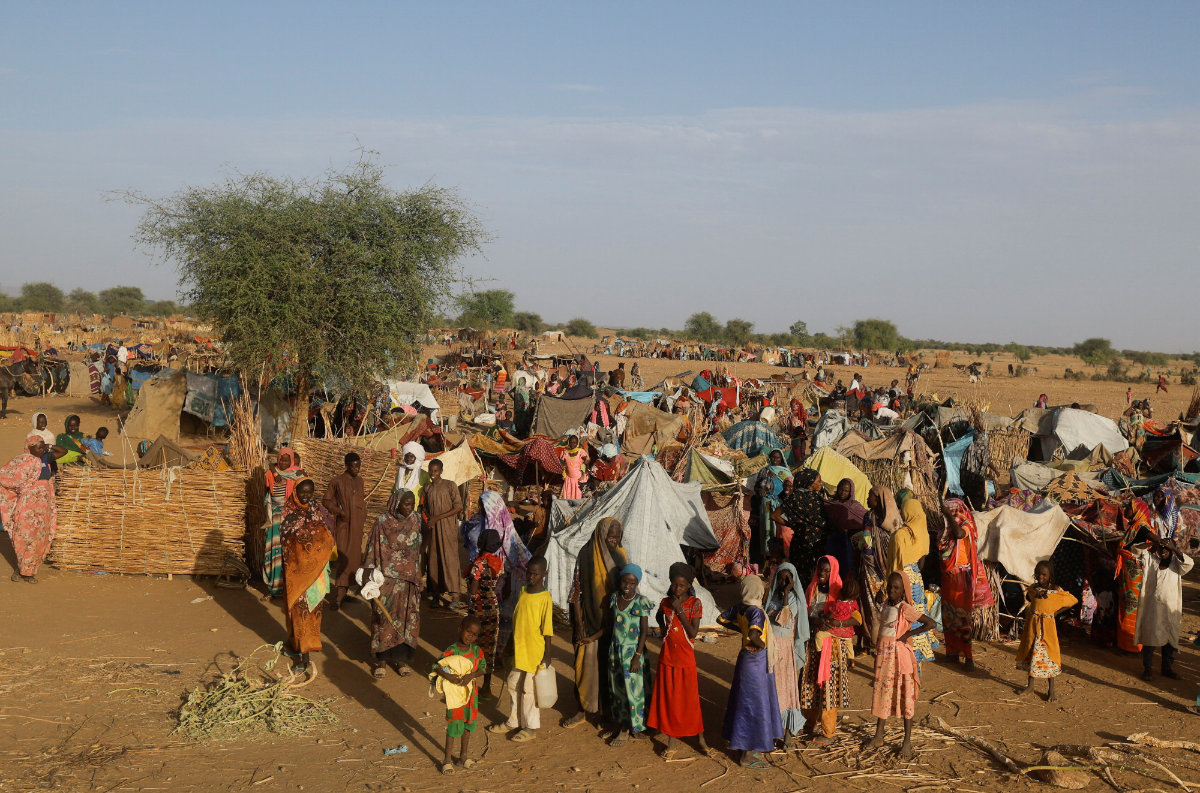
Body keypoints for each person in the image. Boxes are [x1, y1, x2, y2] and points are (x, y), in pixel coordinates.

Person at [864, 571, 936, 759]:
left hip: (899, 657)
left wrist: (907, 636)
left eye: (896, 588)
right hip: (884, 657)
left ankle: (907, 742)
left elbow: (931, 623)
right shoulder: (887, 604)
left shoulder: (905, 608)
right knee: (883, 693)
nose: (892, 591)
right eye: (890, 587)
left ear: (904, 591)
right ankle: (879, 735)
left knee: (906, 697)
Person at [565, 517, 627, 728]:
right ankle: (582, 709)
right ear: (601, 534)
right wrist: (581, 626)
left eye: (617, 536)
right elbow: (576, 592)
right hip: (589, 620)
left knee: (608, 668)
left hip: (613, 622)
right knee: (584, 666)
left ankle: (605, 712)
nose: (614, 540)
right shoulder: (586, 554)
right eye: (611, 536)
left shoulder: (621, 555)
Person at [717, 575, 783, 769]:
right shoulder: (757, 611)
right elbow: (755, 635)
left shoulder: (741, 607)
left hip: (745, 659)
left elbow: (721, 619)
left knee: (744, 701)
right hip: (756, 661)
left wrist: (743, 632)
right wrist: (759, 643)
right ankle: (746, 755)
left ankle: (744, 744)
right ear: (758, 592)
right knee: (753, 705)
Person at [363, 490, 426, 679]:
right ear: (396, 503)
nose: (410, 508)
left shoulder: (416, 520)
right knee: (384, 618)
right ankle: (381, 660)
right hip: (386, 579)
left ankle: (401, 659)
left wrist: (417, 572)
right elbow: (372, 548)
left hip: (409, 580)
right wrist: (369, 576)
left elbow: (418, 548)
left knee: (407, 618)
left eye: (412, 504)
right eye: (406, 504)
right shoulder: (383, 522)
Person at [647, 562, 708, 759]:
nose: (677, 589)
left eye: (682, 586)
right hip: (667, 657)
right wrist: (664, 630)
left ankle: (701, 739)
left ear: (689, 585)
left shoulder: (695, 603)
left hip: (685, 658)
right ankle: (671, 741)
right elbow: (658, 617)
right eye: (675, 585)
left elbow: (693, 632)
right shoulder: (665, 602)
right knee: (670, 699)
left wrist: (679, 610)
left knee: (690, 699)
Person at [489, 557, 553, 742]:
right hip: (519, 649)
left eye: (535, 574)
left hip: (534, 652)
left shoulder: (545, 598)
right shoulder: (524, 591)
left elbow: (547, 630)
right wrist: (509, 645)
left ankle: (531, 726)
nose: (531, 577)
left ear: (544, 574)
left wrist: (547, 656)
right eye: (529, 573)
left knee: (528, 689)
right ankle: (513, 721)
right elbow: (518, 621)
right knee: (512, 682)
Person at [800, 556, 859, 743]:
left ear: (833, 571)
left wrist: (837, 622)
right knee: (809, 684)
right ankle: (809, 723)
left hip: (833, 648)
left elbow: (857, 618)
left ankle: (828, 732)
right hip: (813, 644)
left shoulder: (840, 592)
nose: (823, 574)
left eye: (827, 570)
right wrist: (816, 621)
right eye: (820, 570)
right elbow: (804, 614)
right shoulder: (812, 589)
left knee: (829, 689)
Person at [280, 478, 335, 674]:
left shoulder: (317, 510)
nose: (306, 496)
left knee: (311, 610)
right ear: (295, 491)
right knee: (298, 611)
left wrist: (317, 541)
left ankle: (304, 651)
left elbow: (328, 534)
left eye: (309, 492)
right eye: (303, 492)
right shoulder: (289, 512)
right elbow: (287, 539)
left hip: (316, 572)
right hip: (296, 572)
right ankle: (300, 651)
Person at [939, 499, 994, 671]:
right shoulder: (945, 528)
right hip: (949, 576)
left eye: (951, 510)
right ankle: (953, 653)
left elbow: (960, 535)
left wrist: (948, 515)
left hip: (961, 577)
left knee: (963, 617)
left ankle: (968, 657)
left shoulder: (965, 524)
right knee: (949, 615)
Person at [1133, 535, 1194, 680]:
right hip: (1152, 610)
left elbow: (1189, 563)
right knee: (1150, 639)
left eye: (1167, 548)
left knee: (1168, 641)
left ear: (1172, 550)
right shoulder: (1151, 561)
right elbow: (1135, 549)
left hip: (1170, 609)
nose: (1164, 551)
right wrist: (1152, 542)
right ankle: (1147, 669)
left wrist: (1175, 548)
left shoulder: (1177, 566)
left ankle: (1166, 668)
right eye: (1162, 548)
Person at [431, 616, 486, 775]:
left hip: (471, 696)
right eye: (468, 632)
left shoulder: (477, 651)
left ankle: (463, 757)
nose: (471, 636)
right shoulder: (452, 650)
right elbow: (437, 665)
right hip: (455, 697)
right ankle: (447, 761)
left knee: (468, 725)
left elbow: (483, 668)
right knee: (454, 726)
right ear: (459, 629)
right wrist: (448, 676)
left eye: (474, 634)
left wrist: (472, 675)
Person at [1016, 561, 1079, 700]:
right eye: (1038, 573)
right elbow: (1029, 597)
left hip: (1047, 629)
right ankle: (1030, 686)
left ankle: (1051, 690)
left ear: (1050, 575)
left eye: (1044, 574)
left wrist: (1056, 613)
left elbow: (1072, 600)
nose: (1040, 576)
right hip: (1033, 628)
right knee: (1032, 654)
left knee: (1048, 656)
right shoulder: (1033, 588)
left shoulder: (1056, 590)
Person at [0, 435, 58, 583]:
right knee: (23, 536)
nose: (41, 449)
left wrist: (48, 447)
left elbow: (63, 451)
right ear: (29, 447)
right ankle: (20, 569)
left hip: (43, 507)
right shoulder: (21, 461)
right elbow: (5, 476)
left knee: (39, 538)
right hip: (26, 506)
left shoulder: (45, 459)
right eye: (38, 446)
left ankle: (30, 572)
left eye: (42, 446)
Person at [888, 492, 938, 663]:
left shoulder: (899, 535)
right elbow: (922, 563)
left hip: (900, 581)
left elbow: (893, 564)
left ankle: (903, 658)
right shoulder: (924, 533)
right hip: (916, 579)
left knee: (901, 617)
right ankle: (916, 659)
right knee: (916, 615)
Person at [765, 561, 810, 744]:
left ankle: (788, 734)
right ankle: (772, 731)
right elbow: (767, 617)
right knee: (773, 690)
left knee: (787, 691)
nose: (784, 581)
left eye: (787, 577)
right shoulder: (771, 597)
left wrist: (785, 595)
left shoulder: (793, 599)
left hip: (785, 650)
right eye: (781, 576)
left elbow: (783, 619)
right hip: (772, 649)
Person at [607, 563, 652, 746]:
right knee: (617, 689)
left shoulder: (641, 602)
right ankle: (621, 723)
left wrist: (637, 656)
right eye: (625, 581)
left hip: (633, 652)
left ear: (637, 584)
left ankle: (629, 728)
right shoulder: (614, 598)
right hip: (615, 651)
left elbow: (643, 632)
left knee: (633, 692)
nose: (628, 586)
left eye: (632, 583)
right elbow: (612, 625)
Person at [322, 452, 367, 609]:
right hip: (344, 526)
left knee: (354, 560)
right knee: (343, 558)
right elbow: (326, 500)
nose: (357, 469)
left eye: (358, 465)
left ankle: (345, 593)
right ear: (346, 465)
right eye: (354, 466)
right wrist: (340, 512)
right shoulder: (337, 481)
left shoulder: (360, 481)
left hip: (357, 526)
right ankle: (338, 596)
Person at [423, 458, 465, 610]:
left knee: (450, 560)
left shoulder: (450, 485)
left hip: (448, 529)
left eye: (435, 471)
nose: (432, 473)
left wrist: (438, 517)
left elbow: (458, 507)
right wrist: (430, 519)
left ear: (441, 471)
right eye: (430, 470)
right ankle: (436, 595)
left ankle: (455, 597)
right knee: (434, 560)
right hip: (434, 530)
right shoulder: (427, 488)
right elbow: (426, 508)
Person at [466, 527, 504, 697]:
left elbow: (474, 589)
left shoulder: (478, 564)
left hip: (478, 609)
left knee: (473, 647)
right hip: (493, 608)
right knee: (489, 648)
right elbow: (501, 585)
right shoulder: (498, 563)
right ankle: (487, 687)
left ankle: (471, 685)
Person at [263, 447, 305, 598]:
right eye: (281, 459)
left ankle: (289, 587)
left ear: (292, 460)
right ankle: (275, 587)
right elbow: (266, 494)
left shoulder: (297, 473)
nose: (284, 462)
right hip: (274, 519)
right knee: (274, 551)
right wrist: (274, 471)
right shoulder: (270, 473)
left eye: (287, 460)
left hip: (290, 518)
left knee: (289, 552)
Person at [775, 468, 829, 584]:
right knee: (814, 576)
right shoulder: (817, 499)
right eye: (818, 481)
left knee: (799, 576)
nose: (821, 483)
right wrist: (793, 524)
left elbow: (775, 516)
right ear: (809, 482)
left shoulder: (793, 498)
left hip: (800, 543)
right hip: (814, 545)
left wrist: (793, 525)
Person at [824, 478, 865, 578]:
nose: (842, 492)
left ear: (850, 492)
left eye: (846, 491)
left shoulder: (855, 507)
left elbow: (865, 520)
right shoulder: (830, 505)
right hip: (832, 541)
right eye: (841, 489)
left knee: (845, 570)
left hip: (847, 544)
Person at [559, 435, 588, 500]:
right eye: (571, 442)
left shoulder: (581, 452)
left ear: (577, 443)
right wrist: (564, 472)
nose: (572, 444)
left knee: (578, 498)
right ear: (569, 443)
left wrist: (584, 472)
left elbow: (586, 463)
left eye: (574, 443)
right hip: (569, 479)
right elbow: (562, 463)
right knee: (569, 497)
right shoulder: (565, 452)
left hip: (578, 479)